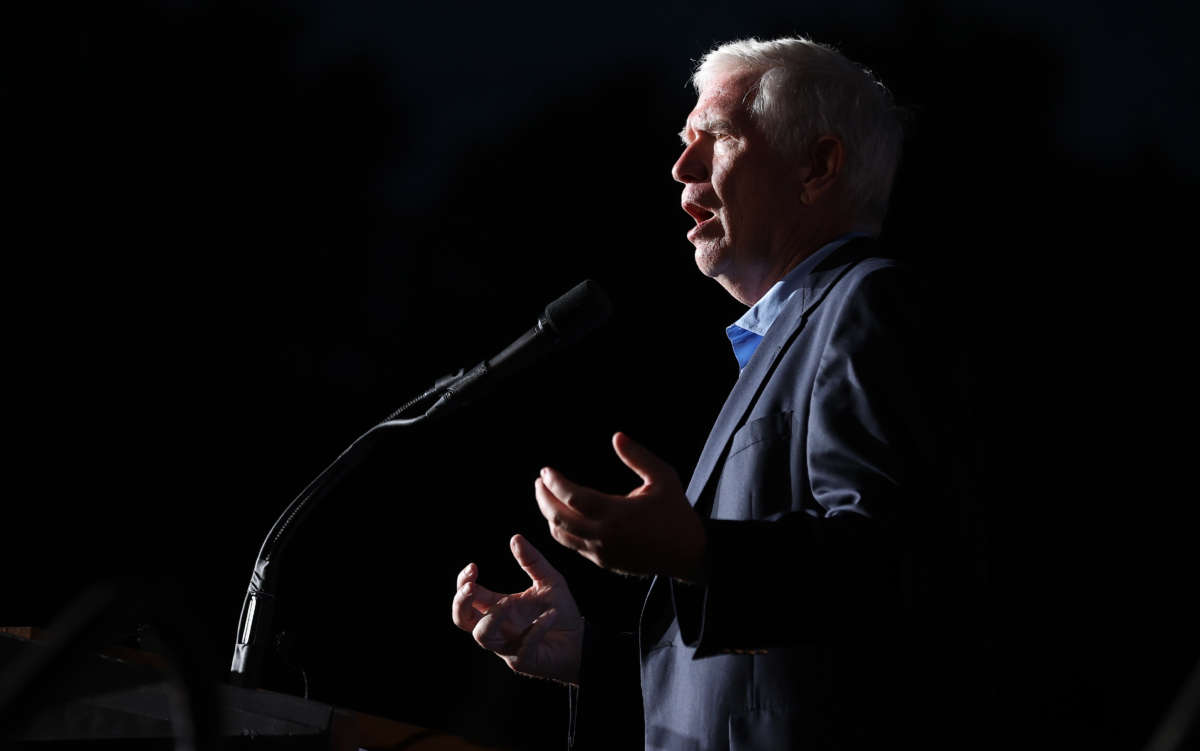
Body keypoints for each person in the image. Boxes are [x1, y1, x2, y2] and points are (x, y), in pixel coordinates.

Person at [452, 37, 971, 750]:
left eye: (718, 138)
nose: (681, 166)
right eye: (682, 140)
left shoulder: (867, 303)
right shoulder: (788, 336)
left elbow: (895, 569)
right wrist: (589, 654)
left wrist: (697, 552)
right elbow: (762, 676)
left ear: (817, 166)